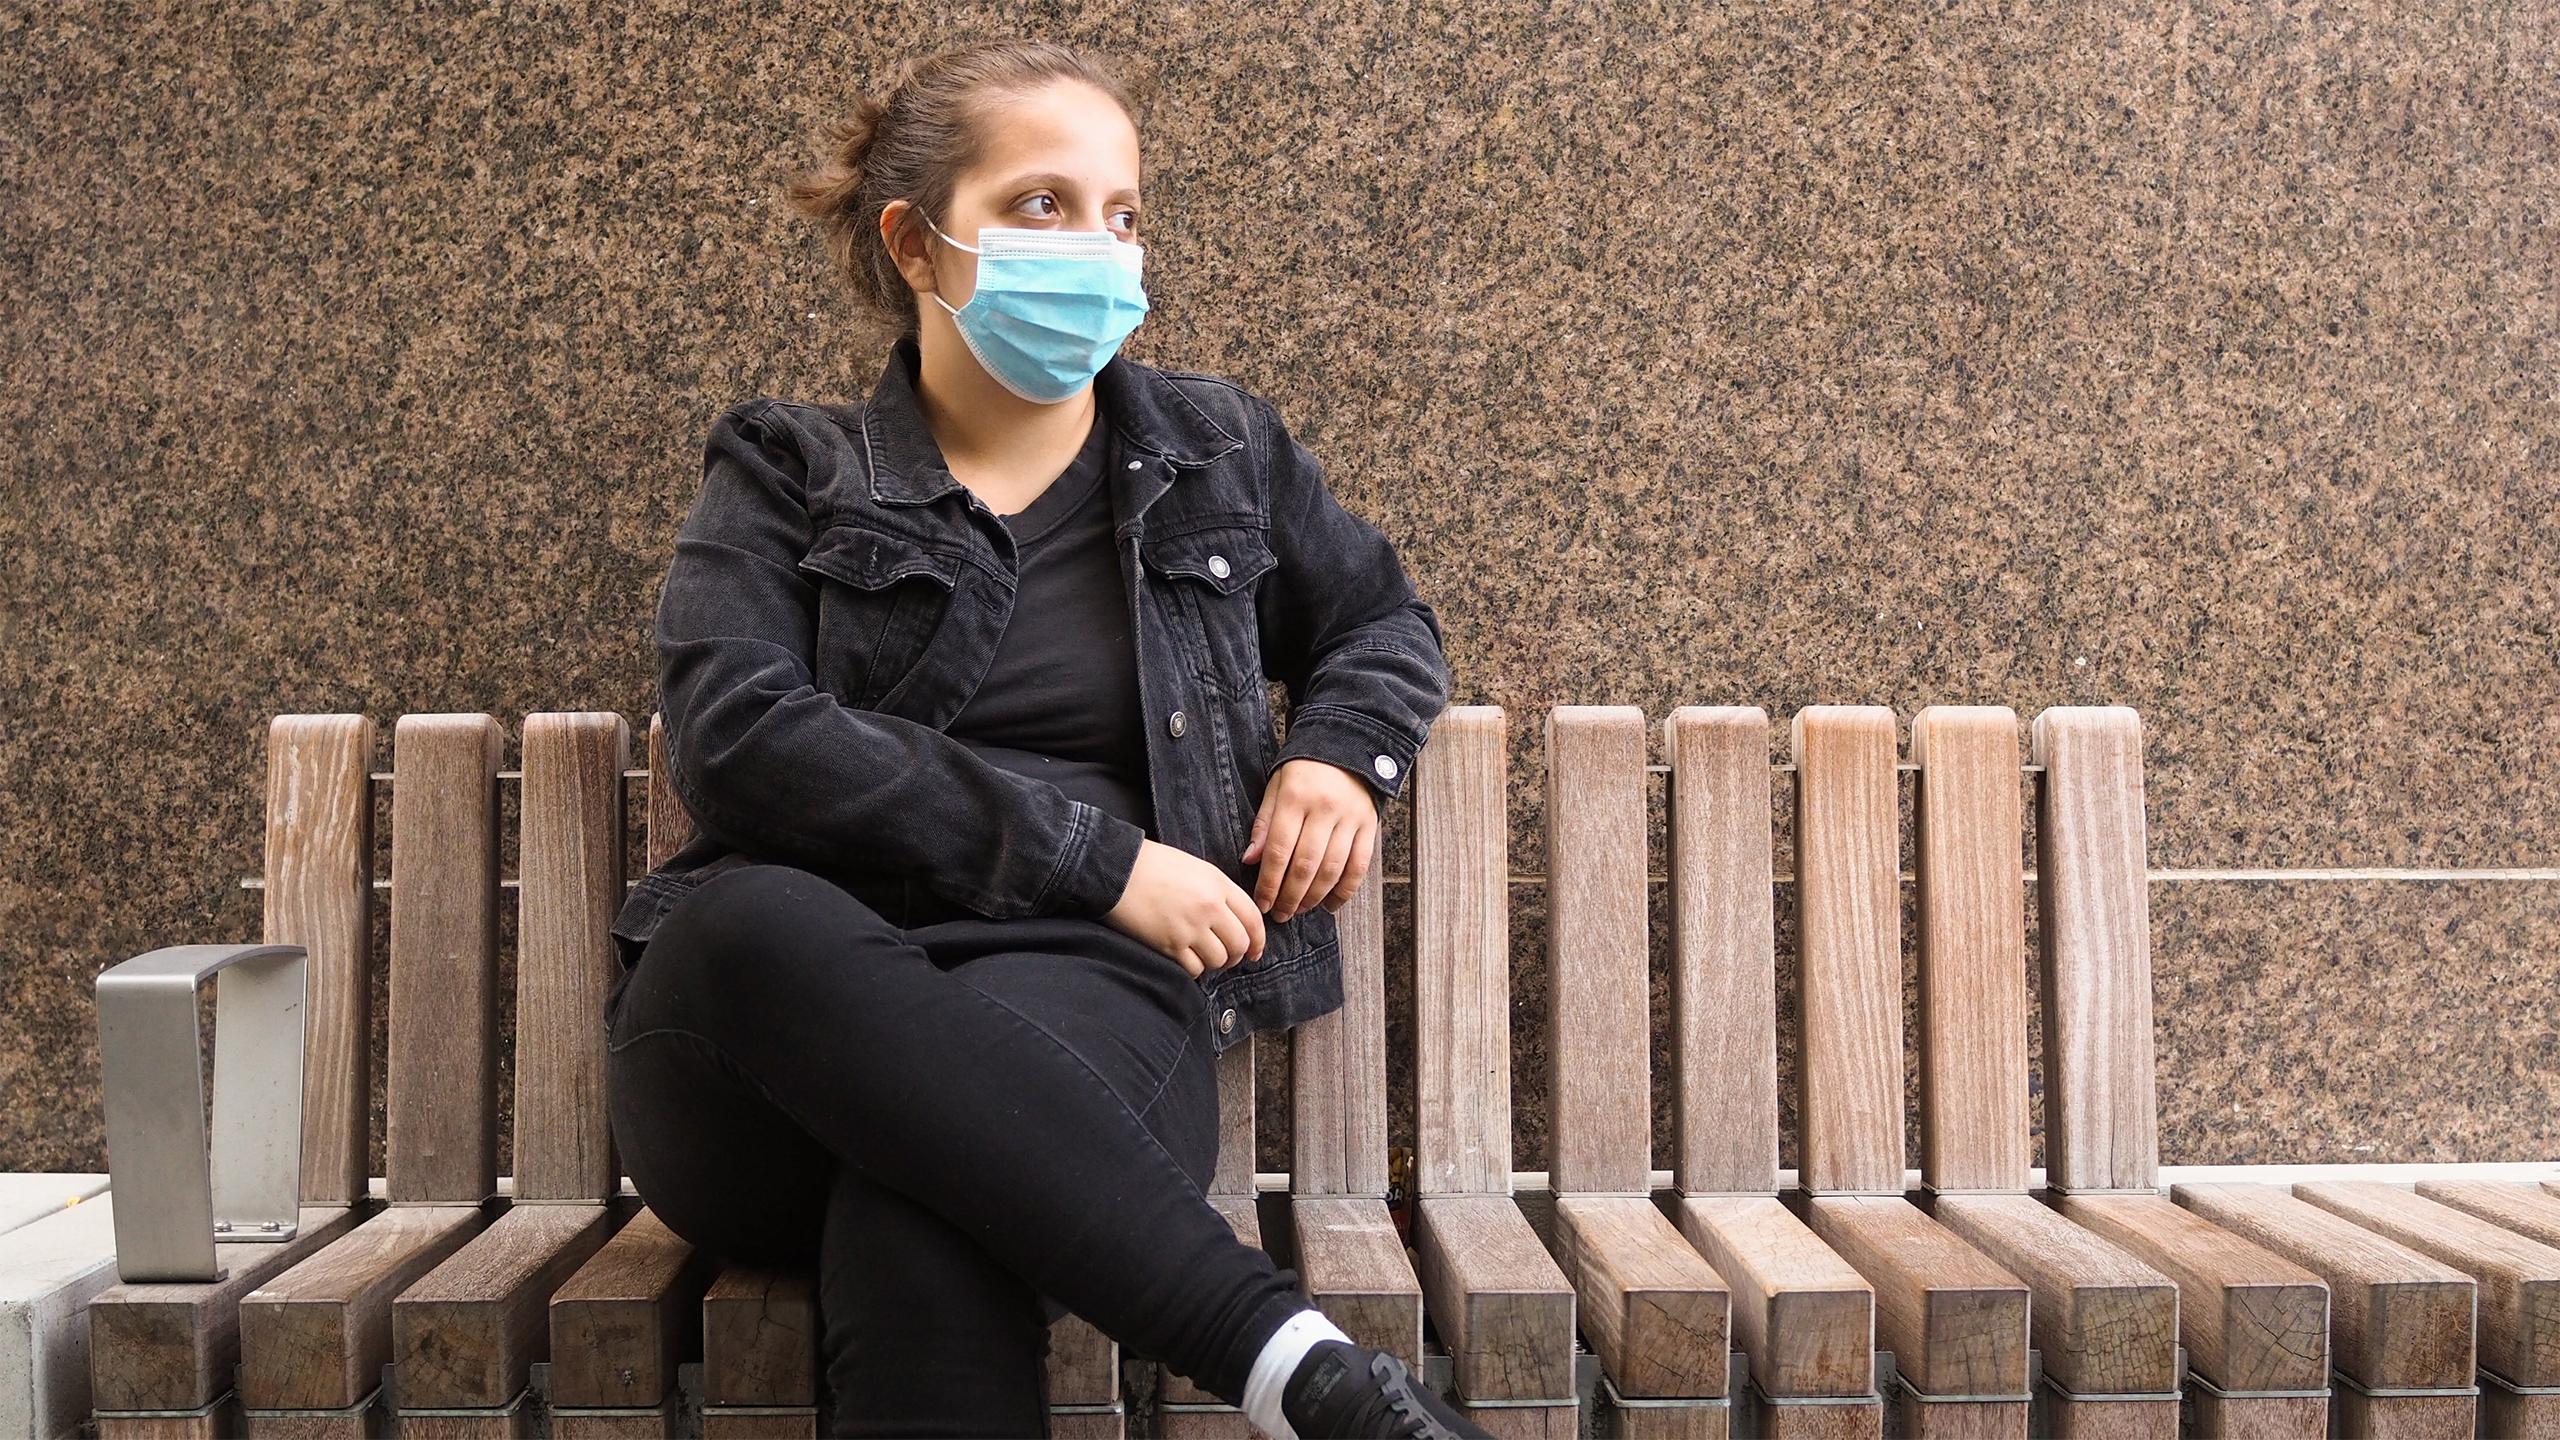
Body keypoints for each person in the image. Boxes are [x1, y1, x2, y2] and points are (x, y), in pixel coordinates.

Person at [600, 37, 1483, 1440]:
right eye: (1040, 206)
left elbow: (1382, 622)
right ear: (915, 242)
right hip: (769, 1054)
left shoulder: (1219, 448)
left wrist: (1339, 751)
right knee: (745, 928)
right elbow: (739, 737)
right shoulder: (788, 467)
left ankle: (1310, 1388)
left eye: (1121, 213)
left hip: (1083, 1014)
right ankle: (1290, 1365)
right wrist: (1098, 860)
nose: (1097, 246)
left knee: (933, 1207)